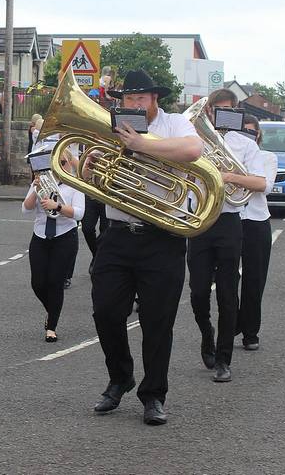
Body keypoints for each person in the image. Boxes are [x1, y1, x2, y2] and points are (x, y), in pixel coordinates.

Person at [86, 69, 203, 426]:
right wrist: (87, 167)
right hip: (118, 233)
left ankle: (153, 395)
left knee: (157, 321)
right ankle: (120, 377)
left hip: (162, 236)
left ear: (155, 99)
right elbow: (91, 174)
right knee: (105, 311)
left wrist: (142, 145)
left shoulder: (176, 124)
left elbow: (193, 149)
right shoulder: (112, 125)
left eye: (141, 98)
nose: (134, 104)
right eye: (129, 99)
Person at [186, 90, 267, 383]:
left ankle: (223, 359)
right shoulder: (195, 143)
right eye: (216, 110)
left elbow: (260, 183)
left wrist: (229, 176)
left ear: (235, 111)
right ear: (208, 112)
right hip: (201, 222)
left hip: (231, 221)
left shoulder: (246, 145)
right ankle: (207, 335)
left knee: (228, 294)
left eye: (227, 110)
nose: (221, 115)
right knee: (197, 292)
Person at [22, 150, 85, 343]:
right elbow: (26, 209)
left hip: (65, 236)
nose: (62, 166)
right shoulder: (42, 181)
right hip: (40, 235)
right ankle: (52, 311)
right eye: (59, 163)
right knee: (38, 283)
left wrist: (56, 206)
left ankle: (52, 327)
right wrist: (34, 187)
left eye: (65, 162)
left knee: (55, 282)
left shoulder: (75, 184)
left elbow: (80, 214)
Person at [238, 115, 278, 351]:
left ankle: (250, 331)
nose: (246, 136)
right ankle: (232, 324)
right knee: (227, 280)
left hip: (256, 220)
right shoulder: (224, 155)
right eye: (242, 132)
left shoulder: (267, 157)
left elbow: (265, 185)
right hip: (231, 220)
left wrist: (237, 175)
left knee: (254, 280)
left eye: (251, 132)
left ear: (258, 135)